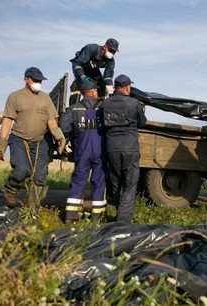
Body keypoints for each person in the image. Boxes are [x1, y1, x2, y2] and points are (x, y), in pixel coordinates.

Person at [0, 67, 66, 208]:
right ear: (25, 79)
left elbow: (51, 120)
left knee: (40, 176)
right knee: (22, 169)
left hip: (40, 141)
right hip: (19, 139)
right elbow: (7, 120)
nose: (38, 83)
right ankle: (11, 190)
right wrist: (2, 141)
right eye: (35, 80)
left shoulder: (46, 98)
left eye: (40, 81)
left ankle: (31, 209)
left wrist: (59, 136)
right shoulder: (15, 96)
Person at [100, 74, 147, 224]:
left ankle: (116, 208)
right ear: (127, 87)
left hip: (111, 147)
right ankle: (123, 221)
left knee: (115, 180)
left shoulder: (105, 104)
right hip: (129, 147)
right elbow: (142, 122)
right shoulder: (134, 103)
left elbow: (100, 123)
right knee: (129, 183)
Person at [60, 80, 106, 223]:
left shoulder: (74, 109)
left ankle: (71, 216)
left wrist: (69, 138)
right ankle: (98, 217)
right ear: (92, 92)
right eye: (96, 91)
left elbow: (63, 126)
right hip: (100, 150)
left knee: (78, 180)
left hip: (82, 150)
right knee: (98, 181)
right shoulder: (103, 108)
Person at [69, 38, 119, 105]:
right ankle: (73, 107)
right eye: (110, 50)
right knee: (78, 85)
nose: (111, 53)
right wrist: (82, 76)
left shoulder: (111, 61)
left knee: (102, 85)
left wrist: (110, 87)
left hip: (93, 69)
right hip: (81, 67)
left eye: (114, 51)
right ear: (105, 46)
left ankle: (98, 108)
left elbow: (108, 75)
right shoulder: (92, 48)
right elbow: (77, 63)